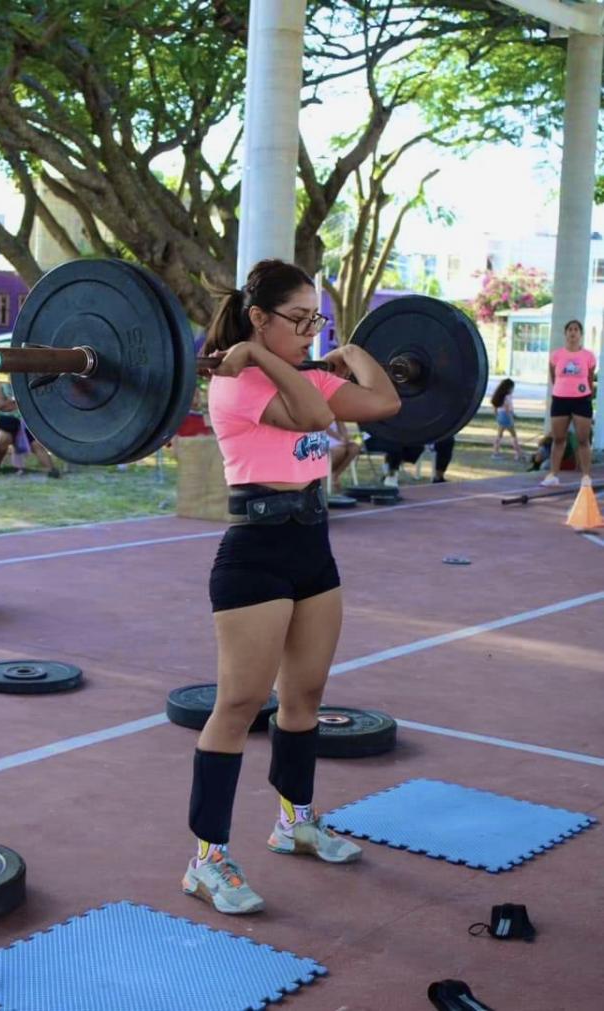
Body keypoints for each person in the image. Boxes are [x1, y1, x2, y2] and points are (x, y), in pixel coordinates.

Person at [181, 258, 400, 915]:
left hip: (313, 551)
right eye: (299, 320)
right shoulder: (235, 382)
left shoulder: (307, 372)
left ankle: (294, 821)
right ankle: (206, 861)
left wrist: (351, 351)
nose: (310, 333)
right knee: (239, 703)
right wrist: (256, 356)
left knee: (303, 698)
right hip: (255, 556)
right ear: (258, 317)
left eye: (317, 321)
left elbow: (385, 402)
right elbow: (308, 417)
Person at [540, 320, 597, 487]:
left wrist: (584, 393)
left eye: (576, 330)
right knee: (558, 439)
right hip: (560, 399)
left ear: (581, 334)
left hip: (581, 400)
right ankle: (553, 475)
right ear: (565, 333)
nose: (573, 333)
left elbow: (589, 377)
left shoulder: (588, 356)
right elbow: (554, 377)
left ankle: (586, 476)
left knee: (583, 439)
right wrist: (562, 389)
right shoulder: (556, 355)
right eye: (570, 329)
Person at [0, 381, 60, 478]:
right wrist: (18, 403)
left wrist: (12, 403)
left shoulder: (29, 386)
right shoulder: (2, 388)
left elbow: (34, 405)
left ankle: (52, 470)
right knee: (3, 438)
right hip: (8, 423)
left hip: (26, 423)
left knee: (36, 444)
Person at [490, 378, 523, 460]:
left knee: (499, 435)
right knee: (513, 435)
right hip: (506, 416)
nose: (513, 390)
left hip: (500, 415)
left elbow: (495, 408)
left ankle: (495, 452)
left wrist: (497, 416)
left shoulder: (499, 397)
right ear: (508, 388)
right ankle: (518, 453)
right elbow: (508, 408)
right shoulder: (508, 396)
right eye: (512, 388)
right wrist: (511, 417)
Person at [326, 419, 360, 492]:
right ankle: (331, 476)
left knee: (354, 448)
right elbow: (324, 427)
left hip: (339, 440)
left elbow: (342, 427)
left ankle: (335, 475)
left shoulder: (337, 414)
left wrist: (345, 437)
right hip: (325, 438)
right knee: (340, 450)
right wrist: (339, 437)